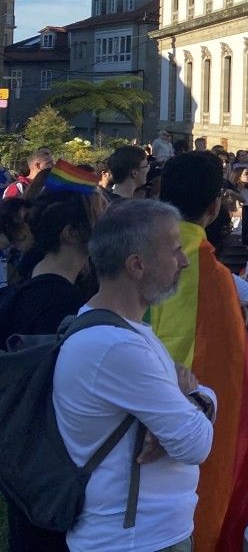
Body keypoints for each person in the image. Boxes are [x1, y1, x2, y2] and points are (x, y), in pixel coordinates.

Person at [55, 198, 215, 551]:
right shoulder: (115, 347)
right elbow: (195, 444)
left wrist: (184, 401)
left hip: (144, 533)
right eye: (174, 252)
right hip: (136, 541)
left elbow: (187, 417)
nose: (184, 261)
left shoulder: (122, 331)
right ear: (137, 265)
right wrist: (191, 398)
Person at [148, 152, 248, 552]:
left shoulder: (131, 251)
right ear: (216, 207)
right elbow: (231, 379)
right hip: (175, 438)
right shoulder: (210, 275)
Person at [0, 173, 107, 552]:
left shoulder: (26, 289)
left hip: (24, 466)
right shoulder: (59, 307)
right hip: (52, 472)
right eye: (98, 219)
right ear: (71, 233)